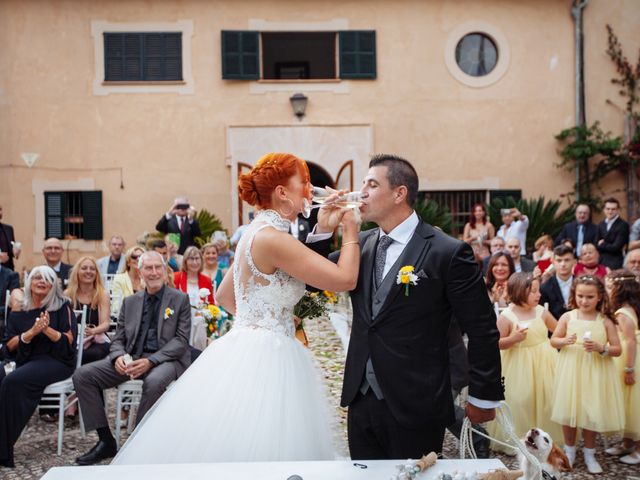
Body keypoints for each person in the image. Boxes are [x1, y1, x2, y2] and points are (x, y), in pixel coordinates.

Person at [109, 152, 360, 464]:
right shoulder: (274, 239)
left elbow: (225, 297)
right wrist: (350, 228)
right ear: (282, 192)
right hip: (270, 357)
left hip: (241, 346)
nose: (310, 190)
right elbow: (345, 279)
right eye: (304, 183)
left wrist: (269, 309)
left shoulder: (252, 233)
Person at [310, 154, 503, 459]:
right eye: (362, 184)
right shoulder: (359, 244)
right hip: (361, 399)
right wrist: (322, 231)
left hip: (419, 401)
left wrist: (485, 395)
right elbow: (312, 279)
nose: (361, 193)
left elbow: (482, 328)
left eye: (372, 185)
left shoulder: (448, 252)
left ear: (399, 193)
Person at [73, 251, 192, 465]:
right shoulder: (130, 302)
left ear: (165, 272)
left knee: (154, 381)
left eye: (158, 267)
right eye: (149, 268)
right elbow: (117, 339)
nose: (154, 272)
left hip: (166, 360)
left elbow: (181, 341)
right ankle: (106, 441)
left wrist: (151, 361)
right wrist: (118, 356)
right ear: (140, 272)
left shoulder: (180, 299)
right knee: (83, 375)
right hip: (131, 359)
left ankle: (137, 443)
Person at [0, 266, 77, 468]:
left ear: (53, 285)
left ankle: (3, 450)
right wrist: (31, 332)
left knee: (13, 381)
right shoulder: (19, 309)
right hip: (28, 360)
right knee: (4, 376)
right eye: (37, 278)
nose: (42, 281)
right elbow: (8, 345)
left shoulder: (62, 306)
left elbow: (69, 342)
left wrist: (47, 330)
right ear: (29, 283)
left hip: (57, 361)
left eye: (47, 279)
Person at [550, 275, 625, 473]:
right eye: (580, 296)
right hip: (571, 371)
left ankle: (590, 453)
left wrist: (602, 348)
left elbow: (618, 349)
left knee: (592, 412)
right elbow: (553, 340)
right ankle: (569, 450)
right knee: (569, 411)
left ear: (600, 296)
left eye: (590, 297)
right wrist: (564, 341)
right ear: (574, 295)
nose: (584, 301)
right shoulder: (568, 317)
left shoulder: (605, 320)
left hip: (595, 372)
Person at [487, 273, 561, 453]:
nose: (539, 295)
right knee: (521, 401)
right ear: (520, 292)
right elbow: (496, 344)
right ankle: (520, 441)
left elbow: (558, 329)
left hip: (545, 362)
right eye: (533, 291)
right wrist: (514, 338)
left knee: (548, 399)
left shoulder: (541, 312)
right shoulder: (507, 316)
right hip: (518, 365)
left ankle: (545, 440)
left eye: (538, 290)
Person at [604, 269, 640, 465]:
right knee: (625, 402)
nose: (607, 290)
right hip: (627, 358)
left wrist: (629, 368)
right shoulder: (627, 308)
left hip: (630, 360)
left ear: (620, 289)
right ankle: (627, 442)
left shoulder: (623, 313)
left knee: (634, 404)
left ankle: (638, 448)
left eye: (609, 286)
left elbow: (631, 341)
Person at [64, 257, 111, 364]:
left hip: (97, 338)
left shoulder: (102, 294)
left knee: (91, 354)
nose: (88, 271)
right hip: (73, 338)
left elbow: (105, 324)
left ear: (96, 273)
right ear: (77, 272)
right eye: (84, 268)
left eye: (92, 269)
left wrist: (93, 331)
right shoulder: (68, 294)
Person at [540, 245, 576, 321]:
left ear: (574, 261)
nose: (563, 264)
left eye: (567, 260)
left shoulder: (581, 284)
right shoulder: (544, 288)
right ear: (552, 262)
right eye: (559, 260)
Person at [110, 246, 146, 317]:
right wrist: (138, 295)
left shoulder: (148, 279)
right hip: (126, 318)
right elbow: (116, 306)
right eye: (134, 257)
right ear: (128, 262)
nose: (138, 259)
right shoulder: (119, 279)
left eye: (141, 256)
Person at [597, 197, 629, 269]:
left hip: (615, 262)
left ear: (618, 210)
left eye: (613, 209)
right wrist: (604, 245)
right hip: (601, 261)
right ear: (604, 210)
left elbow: (616, 247)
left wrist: (602, 244)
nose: (610, 211)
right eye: (608, 209)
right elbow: (596, 243)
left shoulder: (623, 225)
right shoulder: (601, 224)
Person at [0, 205, 20, 271]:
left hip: (8, 270)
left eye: (0, 209)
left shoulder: (9, 229)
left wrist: (16, 252)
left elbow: (12, 247)